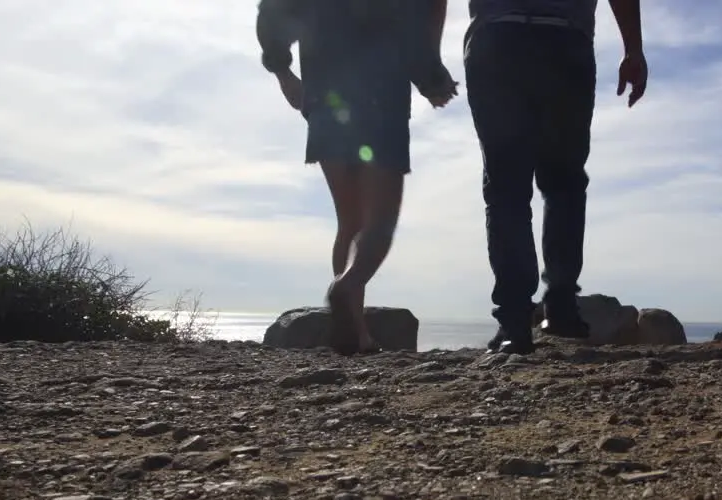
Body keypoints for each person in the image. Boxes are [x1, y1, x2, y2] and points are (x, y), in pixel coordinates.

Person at [256, 0, 457, 355]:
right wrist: (433, 80)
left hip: (325, 101)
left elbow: (272, 13)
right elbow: (414, 27)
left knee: (349, 222)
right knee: (378, 223)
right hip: (381, 101)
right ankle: (348, 285)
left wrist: (284, 74)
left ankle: (355, 331)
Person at [464, 0, 647, 354]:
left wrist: (426, 58)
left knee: (507, 187)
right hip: (562, 41)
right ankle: (560, 305)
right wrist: (633, 49)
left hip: (498, 39)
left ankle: (516, 320)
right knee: (563, 182)